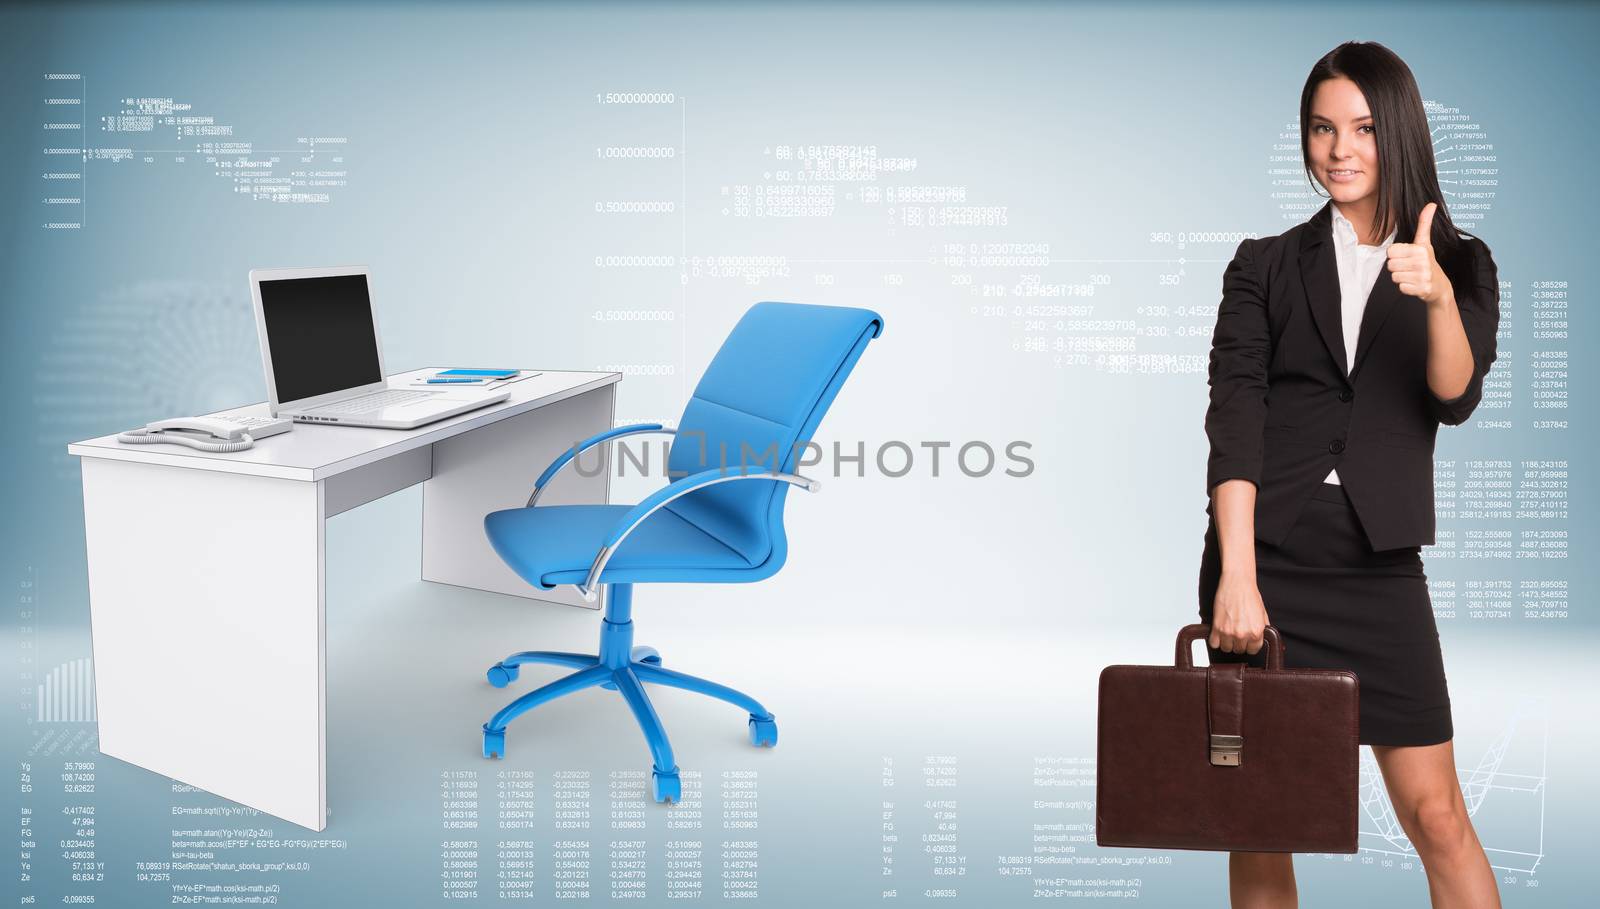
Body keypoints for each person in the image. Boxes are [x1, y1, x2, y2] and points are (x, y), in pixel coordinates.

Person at [1199, 41, 1502, 909]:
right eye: (1322, 128)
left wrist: (1438, 294)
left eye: (1363, 129)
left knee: (1437, 814)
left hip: (1379, 564)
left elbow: (1454, 397)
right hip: (1268, 561)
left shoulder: (1463, 263)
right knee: (1260, 819)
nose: (1339, 150)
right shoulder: (1263, 263)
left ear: (1397, 133)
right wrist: (1238, 577)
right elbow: (1235, 421)